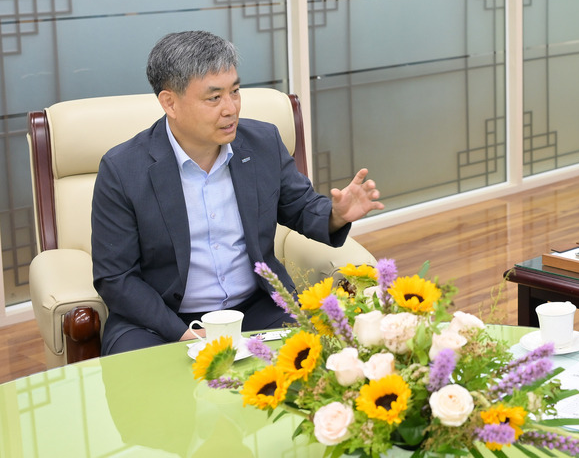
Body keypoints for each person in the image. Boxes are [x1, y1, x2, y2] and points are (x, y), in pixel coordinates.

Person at [92, 31, 384, 355]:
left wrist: (335, 215)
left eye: (235, 91)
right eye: (214, 98)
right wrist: (182, 334)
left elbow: (300, 206)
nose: (230, 109)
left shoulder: (261, 143)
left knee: (320, 366)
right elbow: (116, 277)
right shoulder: (122, 169)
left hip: (257, 308)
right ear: (169, 102)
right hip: (160, 321)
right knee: (138, 388)